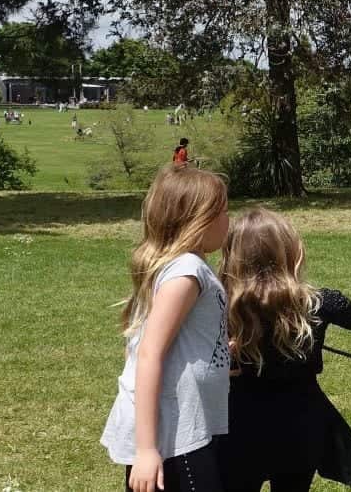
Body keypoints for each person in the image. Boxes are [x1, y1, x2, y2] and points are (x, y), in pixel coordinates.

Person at [220, 208, 351, 492]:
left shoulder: (221, 304)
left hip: (240, 423)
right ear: (290, 253)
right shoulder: (319, 302)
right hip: (301, 423)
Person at [100, 165, 234, 492]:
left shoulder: (185, 266)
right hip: (174, 436)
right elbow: (148, 354)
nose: (229, 220)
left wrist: (222, 358)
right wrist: (146, 450)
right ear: (197, 219)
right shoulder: (186, 272)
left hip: (185, 428)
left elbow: (178, 343)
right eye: (224, 211)